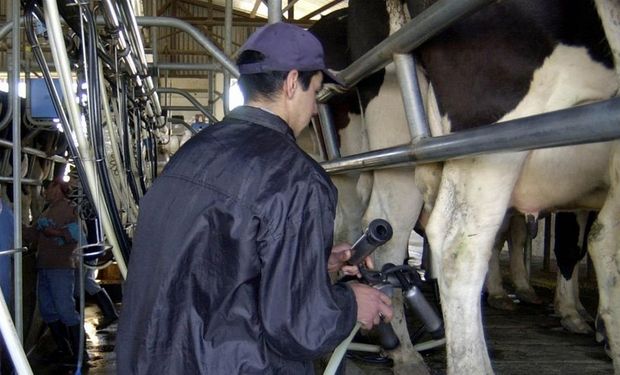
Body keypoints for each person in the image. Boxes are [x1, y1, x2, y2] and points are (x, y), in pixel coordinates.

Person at [116, 21, 393, 374]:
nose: (314, 109)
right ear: (293, 83)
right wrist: (352, 304)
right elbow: (300, 327)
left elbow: (210, 263)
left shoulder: (191, 154)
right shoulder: (299, 179)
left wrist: (311, 262)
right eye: (316, 93)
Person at [23, 177, 86, 364]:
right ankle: (64, 348)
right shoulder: (47, 209)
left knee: (65, 309)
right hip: (44, 265)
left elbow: (78, 234)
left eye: (46, 188)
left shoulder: (70, 208)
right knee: (47, 310)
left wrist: (55, 233)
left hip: (61, 266)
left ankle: (80, 353)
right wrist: (18, 227)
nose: (44, 192)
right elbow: (35, 234)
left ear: (57, 187)